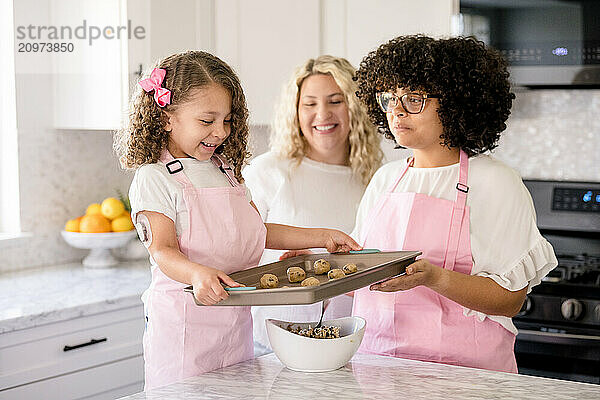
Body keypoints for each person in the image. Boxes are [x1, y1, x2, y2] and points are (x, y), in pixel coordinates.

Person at [113, 51, 360, 390]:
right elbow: (164, 251)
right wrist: (198, 274)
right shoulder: (154, 177)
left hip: (235, 323)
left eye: (227, 121)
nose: (220, 132)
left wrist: (321, 236)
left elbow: (257, 232)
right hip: (185, 328)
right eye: (207, 121)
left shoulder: (225, 171)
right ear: (167, 117)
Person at [348, 36, 558, 372]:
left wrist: (433, 278)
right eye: (389, 97)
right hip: (379, 366)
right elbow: (363, 281)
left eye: (414, 99)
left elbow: (510, 299)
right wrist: (321, 267)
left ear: (457, 103)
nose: (397, 110)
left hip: (467, 375)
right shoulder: (385, 179)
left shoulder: (495, 182)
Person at [243, 55, 383, 356]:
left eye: (335, 101)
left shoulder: (376, 179)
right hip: (272, 346)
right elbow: (234, 249)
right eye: (310, 104)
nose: (323, 114)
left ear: (355, 108)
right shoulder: (268, 172)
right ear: (295, 112)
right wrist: (277, 267)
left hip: (353, 344)